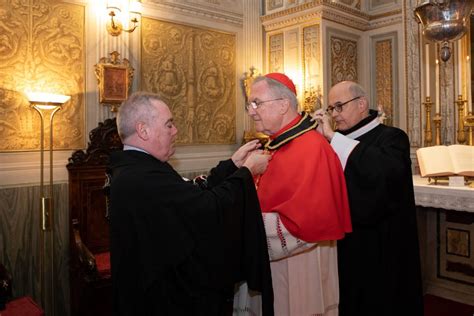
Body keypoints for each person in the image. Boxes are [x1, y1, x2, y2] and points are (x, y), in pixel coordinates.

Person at [108, 92, 274, 315]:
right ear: (143, 130)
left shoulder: (138, 168)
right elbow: (205, 208)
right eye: (169, 125)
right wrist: (247, 172)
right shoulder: (142, 178)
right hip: (160, 299)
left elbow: (190, 195)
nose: (175, 131)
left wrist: (233, 165)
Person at [235, 73, 352, 316]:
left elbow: (307, 224)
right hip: (275, 263)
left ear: (283, 105)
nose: (251, 111)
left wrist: (242, 226)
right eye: (249, 105)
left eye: (256, 103)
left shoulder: (311, 147)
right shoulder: (275, 143)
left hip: (300, 263)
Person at [312, 81, 424, 315]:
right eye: (331, 109)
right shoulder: (336, 140)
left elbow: (380, 173)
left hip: (382, 246)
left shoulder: (392, 137)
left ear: (362, 104)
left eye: (339, 106)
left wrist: (333, 138)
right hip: (347, 243)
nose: (335, 115)